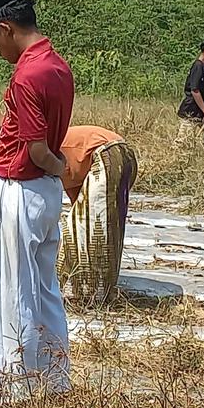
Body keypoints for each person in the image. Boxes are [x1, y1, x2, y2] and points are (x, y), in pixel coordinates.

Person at [0, 0, 74, 397]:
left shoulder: (26, 75)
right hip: (42, 193)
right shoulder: (56, 66)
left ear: (5, 29)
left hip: (20, 189)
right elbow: (25, 131)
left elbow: (40, 150)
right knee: (44, 288)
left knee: (10, 291)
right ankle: (54, 379)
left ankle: (15, 386)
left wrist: (62, 168)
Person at [57, 126, 138, 305]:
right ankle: (95, 286)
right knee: (91, 225)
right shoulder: (68, 174)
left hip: (107, 154)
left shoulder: (45, 155)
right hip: (123, 153)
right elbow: (77, 205)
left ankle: (87, 292)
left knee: (95, 227)